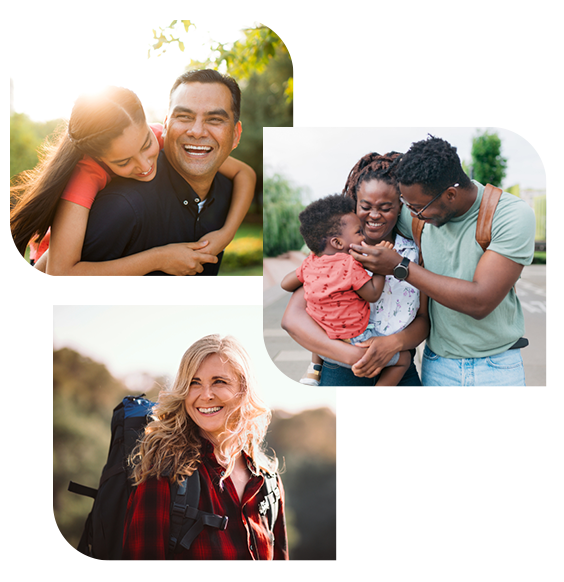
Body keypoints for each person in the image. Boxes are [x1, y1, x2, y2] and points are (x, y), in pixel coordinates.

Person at [10, 82, 255, 276]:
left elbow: (245, 173)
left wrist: (226, 234)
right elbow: (58, 273)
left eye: (146, 145)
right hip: (49, 257)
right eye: (123, 162)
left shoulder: (161, 134)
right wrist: (159, 258)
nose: (145, 165)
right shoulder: (86, 174)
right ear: (100, 158)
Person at [350, 135, 536, 387]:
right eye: (406, 205)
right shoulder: (417, 212)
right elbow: (367, 217)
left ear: (450, 194)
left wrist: (400, 267)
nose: (411, 214)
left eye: (417, 208)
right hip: (438, 365)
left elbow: (480, 301)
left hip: (497, 367)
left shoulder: (509, 215)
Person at [123, 334, 288, 561]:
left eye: (219, 381)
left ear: (244, 388)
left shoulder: (268, 480)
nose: (206, 395)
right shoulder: (164, 473)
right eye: (194, 383)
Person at [282, 153, 429, 387]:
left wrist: (393, 344)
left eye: (385, 207)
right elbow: (293, 318)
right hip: (343, 369)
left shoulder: (415, 253)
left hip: (399, 369)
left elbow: (424, 319)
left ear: (400, 205)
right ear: (355, 202)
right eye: (366, 206)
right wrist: (353, 356)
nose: (374, 214)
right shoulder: (334, 255)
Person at [79, 70, 247, 276]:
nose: (196, 131)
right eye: (184, 116)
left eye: (214, 119)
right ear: (165, 126)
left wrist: (227, 233)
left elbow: (246, 174)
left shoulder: (229, 191)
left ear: (236, 135)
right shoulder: (121, 206)